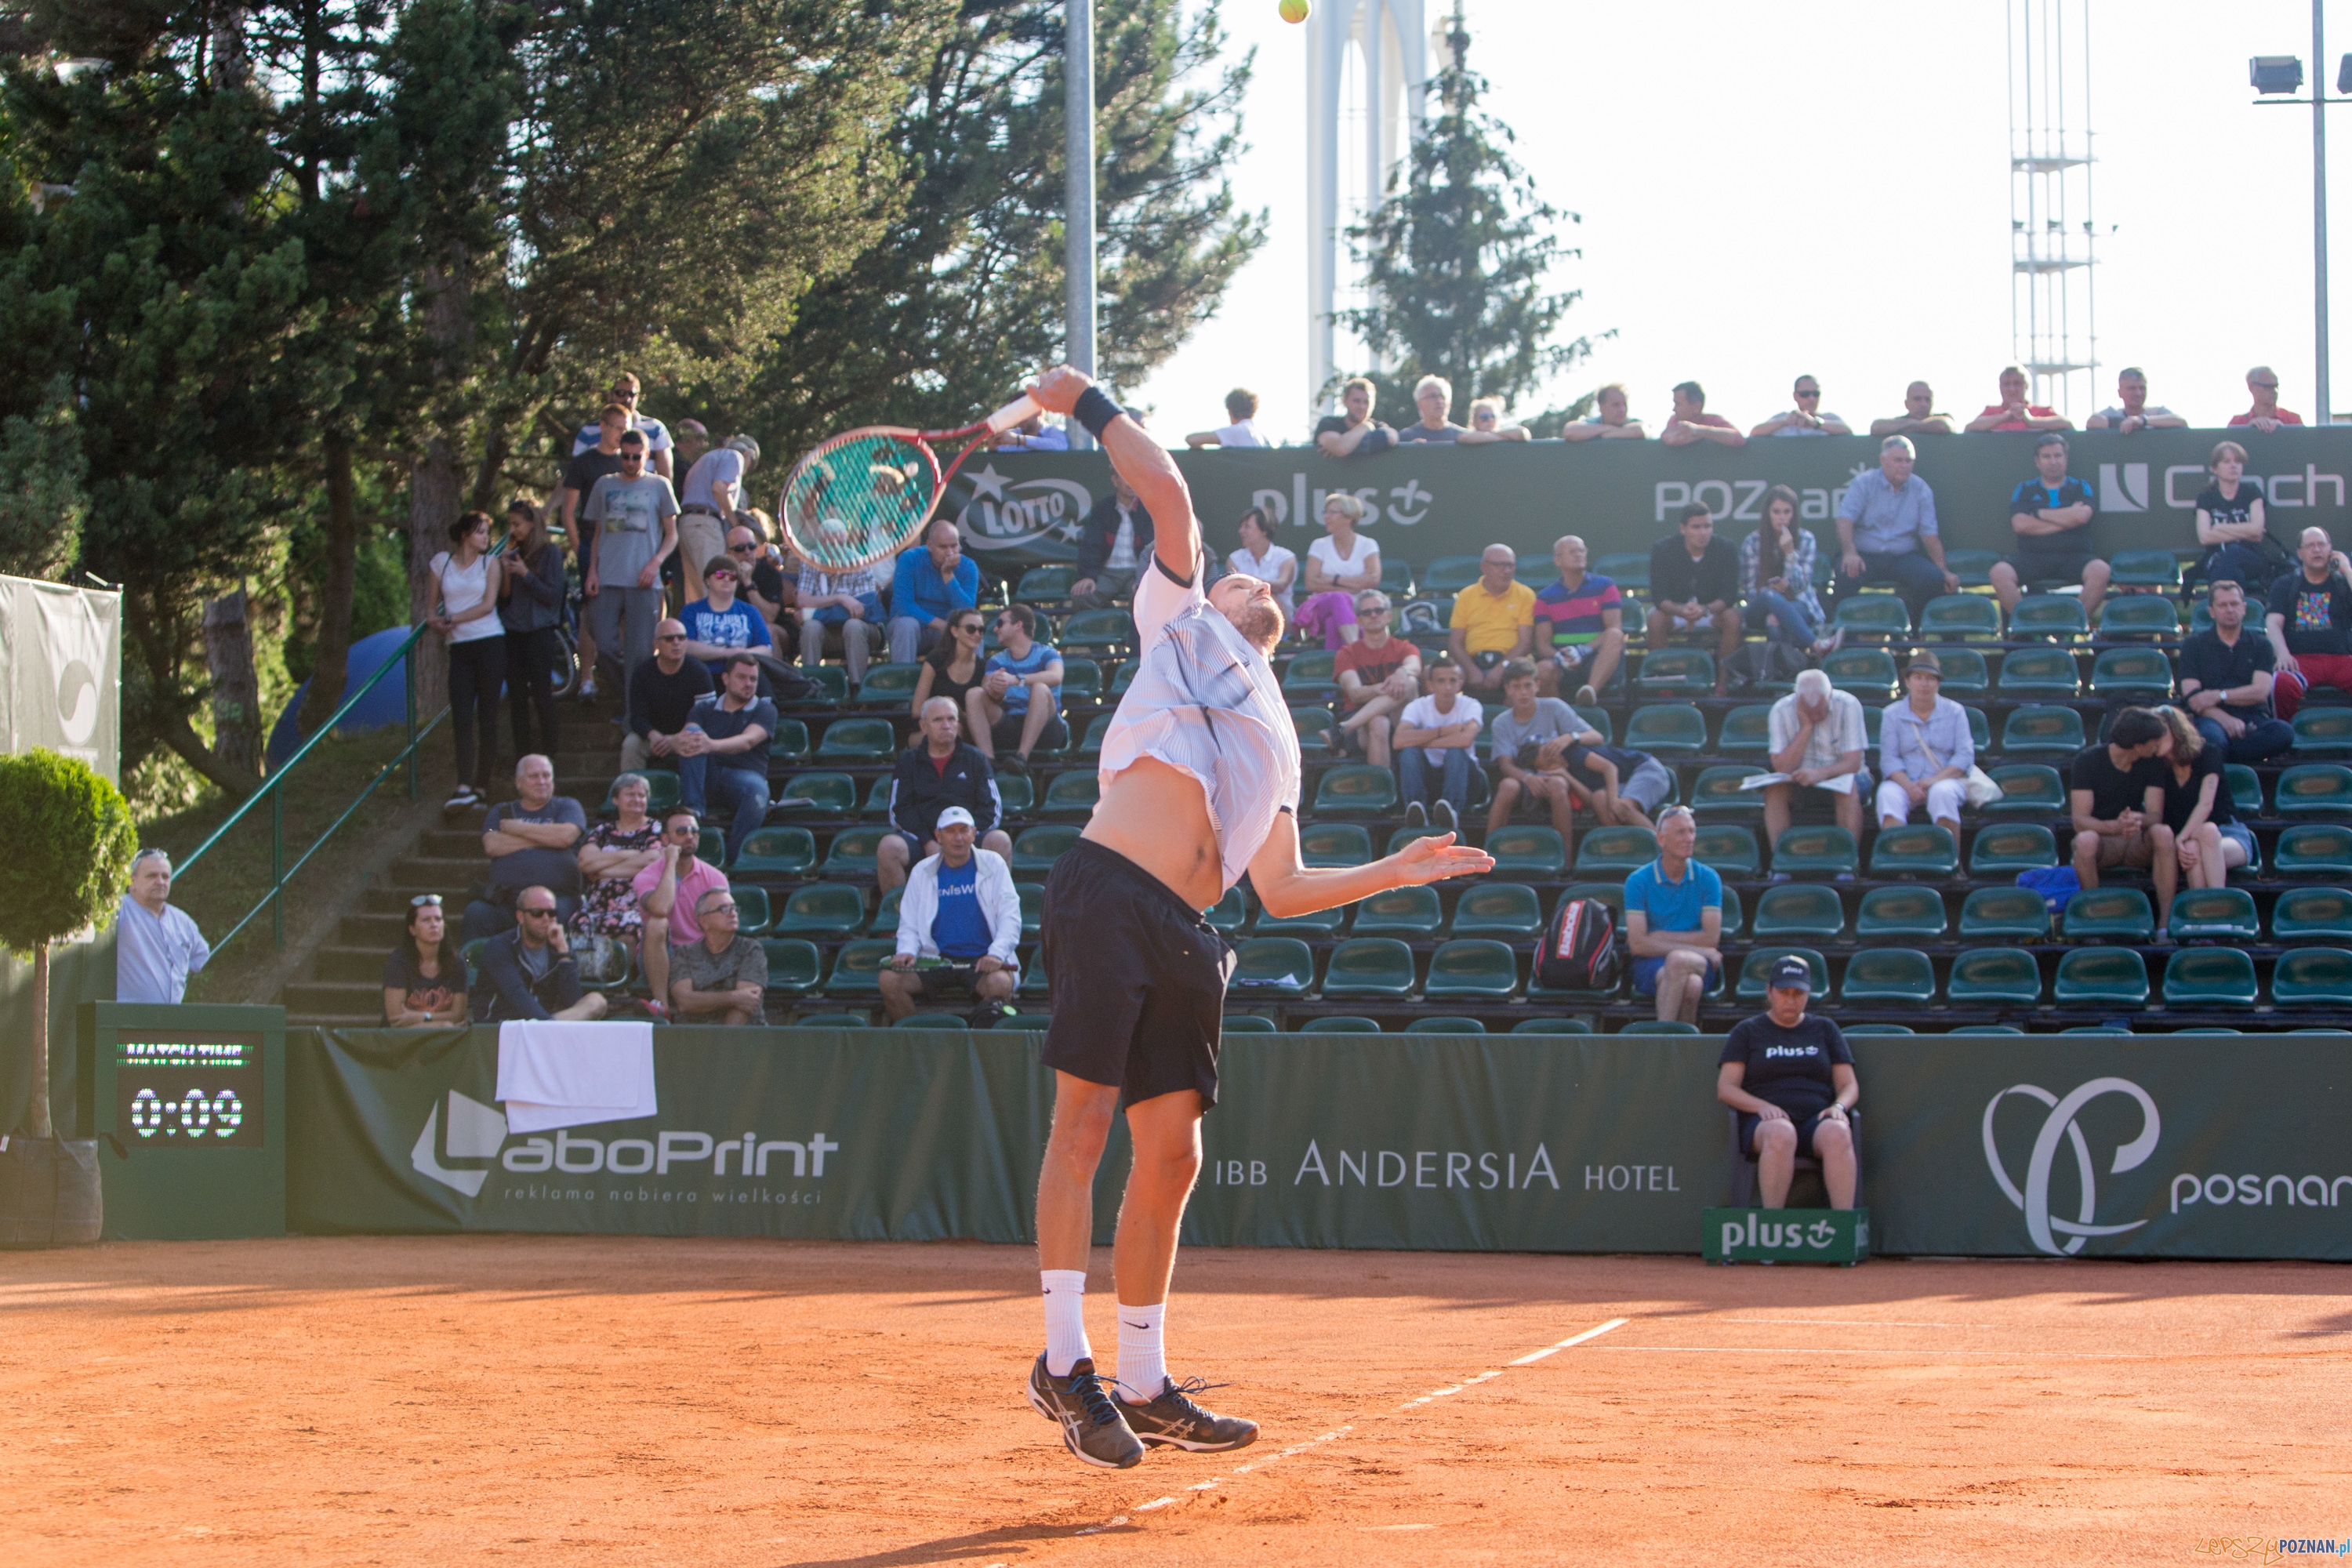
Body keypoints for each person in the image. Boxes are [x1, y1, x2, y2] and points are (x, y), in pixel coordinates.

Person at [1020, 363, 1490, 1469]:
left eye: (1252, 587)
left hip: (1189, 930)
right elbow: (1170, 495)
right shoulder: (1175, 619)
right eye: (1237, 580)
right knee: (1082, 1129)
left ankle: (1143, 1378)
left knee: (1172, 1158)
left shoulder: (1277, 728)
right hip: (1106, 888)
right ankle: (1060, 1360)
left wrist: (1399, 869)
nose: (1245, 587)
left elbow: (1278, 888)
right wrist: (1084, 399)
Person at [1715, 958, 1857, 1210]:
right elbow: (1726, 1088)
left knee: (1839, 1131)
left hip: (1815, 1122)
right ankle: (1774, 1226)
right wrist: (1760, 1106)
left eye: (1798, 993)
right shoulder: (1747, 1031)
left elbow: (1848, 1085)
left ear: (1808, 994)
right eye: (1784, 993)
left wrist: (1839, 1106)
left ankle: (1842, 1228)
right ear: (1770, 992)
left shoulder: (1825, 1029)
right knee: (1781, 1132)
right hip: (1766, 1125)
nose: (1791, 1001)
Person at [880, 806, 1022, 1023]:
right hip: (936, 960)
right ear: (938, 836)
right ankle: (918, 1046)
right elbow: (908, 925)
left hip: (982, 959)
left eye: (964, 830)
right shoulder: (922, 870)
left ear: (974, 834)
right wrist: (907, 951)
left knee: (1000, 984)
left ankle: (985, 1048)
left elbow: (1010, 917)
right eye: (950, 831)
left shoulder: (994, 864)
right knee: (889, 981)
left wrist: (996, 954)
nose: (958, 838)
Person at [580, 430, 681, 734]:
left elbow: (672, 534)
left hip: (644, 581)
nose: (631, 461)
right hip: (608, 576)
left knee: (639, 654)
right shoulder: (604, 485)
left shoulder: (659, 486)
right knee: (605, 644)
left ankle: (632, 718)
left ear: (647, 455)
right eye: (625, 456)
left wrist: (655, 564)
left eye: (637, 456)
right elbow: (597, 534)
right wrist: (592, 572)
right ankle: (633, 699)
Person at [880, 696, 1013, 890]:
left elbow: (992, 809)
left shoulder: (975, 758)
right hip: (924, 842)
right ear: (923, 726)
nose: (946, 725)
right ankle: (899, 916)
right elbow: (899, 811)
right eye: (938, 720)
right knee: (888, 847)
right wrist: (928, 841)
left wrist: (962, 838)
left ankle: (996, 912)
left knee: (1000, 840)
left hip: (969, 839)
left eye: (951, 719)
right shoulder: (908, 761)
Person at [570, 771, 670, 1018]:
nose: (637, 799)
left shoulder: (655, 828)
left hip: (636, 903)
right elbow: (585, 863)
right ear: (615, 800)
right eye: (630, 795)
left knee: (629, 928)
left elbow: (652, 860)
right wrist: (629, 856)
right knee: (579, 923)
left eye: (642, 795)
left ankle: (621, 988)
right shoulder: (602, 831)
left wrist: (604, 868)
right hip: (598, 904)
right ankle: (590, 989)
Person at [427, 510, 506, 810]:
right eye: (480, 532)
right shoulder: (441, 563)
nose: (486, 538)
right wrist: (437, 622)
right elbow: (430, 609)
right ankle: (463, 783)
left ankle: (482, 785)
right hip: (459, 646)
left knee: (487, 715)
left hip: (489, 643)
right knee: (461, 715)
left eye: (487, 532)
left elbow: (488, 605)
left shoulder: (491, 563)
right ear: (464, 535)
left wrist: (454, 618)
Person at [1834, 435, 1958, 623]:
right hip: (1865, 555)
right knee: (1845, 575)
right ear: (1883, 460)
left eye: (1909, 461)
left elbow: (1929, 535)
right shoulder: (1864, 483)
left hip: (1903, 556)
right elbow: (1845, 519)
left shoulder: (1920, 489)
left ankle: (1914, 636)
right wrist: (1850, 552)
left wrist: (1943, 570)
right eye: (1898, 460)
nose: (1904, 465)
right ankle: (1846, 639)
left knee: (1933, 579)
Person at [463, 754, 587, 941]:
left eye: (546, 776)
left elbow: (565, 837)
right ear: (518, 782)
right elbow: (492, 845)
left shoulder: (567, 806)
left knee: (553, 915)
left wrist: (518, 829)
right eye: (534, 776)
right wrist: (546, 837)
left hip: (557, 899)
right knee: (476, 912)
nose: (542, 782)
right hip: (508, 902)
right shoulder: (501, 811)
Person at [557, 404, 631, 702]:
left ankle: (622, 677)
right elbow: (568, 512)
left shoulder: (630, 462)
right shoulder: (584, 463)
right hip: (591, 544)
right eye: (616, 427)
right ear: (602, 426)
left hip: (626, 546)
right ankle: (587, 678)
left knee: (627, 607)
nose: (621, 434)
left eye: (625, 428)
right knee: (591, 610)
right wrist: (579, 549)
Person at [1990, 434, 2109, 620]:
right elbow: (2020, 525)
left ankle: (2072, 626)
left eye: (2058, 456)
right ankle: (2027, 625)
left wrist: (2039, 514)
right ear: (2037, 462)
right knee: (1998, 573)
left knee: (2101, 570)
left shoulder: (2080, 486)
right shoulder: (2025, 489)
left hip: (2074, 556)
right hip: (2031, 557)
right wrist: (2067, 518)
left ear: (2066, 459)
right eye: (2047, 457)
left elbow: (2082, 516)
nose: (2053, 462)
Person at [2068, 707, 2174, 915]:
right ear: (2138, 746)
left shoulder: (2152, 763)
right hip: (2104, 842)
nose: (2157, 746)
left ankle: (2166, 920)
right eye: (2154, 742)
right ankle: (2093, 917)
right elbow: (2079, 821)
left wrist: (2138, 819)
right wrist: (2114, 826)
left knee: (2164, 833)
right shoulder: (2087, 761)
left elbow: (2155, 815)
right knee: (2085, 841)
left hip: (2135, 840)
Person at [2151, 706, 2254, 916]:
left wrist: (2180, 839)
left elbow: (2206, 805)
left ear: (2175, 730)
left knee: (2206, 832)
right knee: (2195, 847)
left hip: (2228, 834)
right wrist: (2181, 841)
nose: (2154, 739)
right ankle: (2207, 924)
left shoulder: (2208, 753)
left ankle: (2212, 917)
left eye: (2159, 732)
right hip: (2189, 842)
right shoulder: (2156, 768)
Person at [1624, 807, 1723, 1025]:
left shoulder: (1708, 878)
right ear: (1661, 839)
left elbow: (1711, 938)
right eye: (1681, 832)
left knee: (1678, 961)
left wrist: (1659, 936)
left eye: (1692, 831)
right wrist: (1698, 948)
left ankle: (1661, 1045)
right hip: (1651, 964)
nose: (1689, 838)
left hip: (1698, 962)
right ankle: (1684, 1053)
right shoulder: (1638, 881)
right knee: (1692, 985)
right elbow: (1638, 945)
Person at [2179, 579, 2294, 763]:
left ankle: (2221, 758)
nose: (2230, 609)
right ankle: (2226, 756)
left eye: (2234, 604)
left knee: (2284, 733)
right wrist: (2225, 719)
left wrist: (2219, 695)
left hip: (2252, 718)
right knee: (2212, 738)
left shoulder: (2262, 645)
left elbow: (2260, 691)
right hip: (2211, 717)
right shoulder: (2193, 646)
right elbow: (2193, 697)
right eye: (2223, 605)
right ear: (2212, 611)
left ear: (2244, 608)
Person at [676, 654, 775, 867]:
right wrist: (683, 740)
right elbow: (686, 737)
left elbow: (748, 740)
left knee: (758, 792)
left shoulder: (764, 709)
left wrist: (710, 744)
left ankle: (730, 860)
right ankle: (694, 811)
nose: (748, 684)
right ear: (725, 679)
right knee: (692, 734)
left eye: (753, 679)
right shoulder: (703, 709)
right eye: (741, 678)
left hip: (743, 779)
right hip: (705, 775)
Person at [470, 885, 609, 1023]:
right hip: (502, 1026)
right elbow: (518, 997)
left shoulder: (560, 945)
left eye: (552, 913)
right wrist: (546, 1025)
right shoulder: (499, 947)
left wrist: (564, 953)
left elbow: (573, 1002)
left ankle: (548, 1026)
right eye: (537, 913)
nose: (546, 918)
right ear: (520, 917)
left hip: (543, 1025)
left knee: (596, 1002)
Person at [1485, 659, 1584, 844]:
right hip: (1521, 778)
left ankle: (1566, 862)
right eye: (1516, 686)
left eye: (1528, 685)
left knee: (1558, 784)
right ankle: (1487, 856)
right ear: (1508, 689)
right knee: (1507, 786)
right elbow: (1505, 765)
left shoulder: (1555, 707)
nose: (1523, 692)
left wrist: (1570, 737)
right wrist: (1528, 779)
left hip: (1554, 773)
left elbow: (1596, 736)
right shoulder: (1501, 722)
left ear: (1537, 686)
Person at [1763, 669, 1867, 845]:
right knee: (1774, 790)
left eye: (1820, 710)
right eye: (1808, 711)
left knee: (1848, 787)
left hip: (1843, 777)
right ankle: (1781, 863)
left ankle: (1848, 864)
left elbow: (1853, 763)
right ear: (1798, 700)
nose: (1815, 716)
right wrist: (1806, 728)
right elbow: (1782, 768)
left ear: (1829, 696)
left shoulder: (1849, 705)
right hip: (1799, 781)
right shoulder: (1780, 710)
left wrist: (1819, 774)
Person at [497, 499, 565, 761]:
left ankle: (551, 752)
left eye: (517, 524)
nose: (513, 529)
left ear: (531, 523)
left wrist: (526, 574)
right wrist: (506, 571)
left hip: (540, 631)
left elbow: (552, 596)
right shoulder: (512, 552)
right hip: (513, 631)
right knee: (517, 698)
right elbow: (503, 600)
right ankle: (521, 755)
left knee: (541, 694)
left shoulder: (550, 553)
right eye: (510, 524)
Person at [1876, 652, 1970, 835]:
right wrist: (1909, 787)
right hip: (1905, 781)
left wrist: (1934, 780)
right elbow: (1889, 759)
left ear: (1938, 683)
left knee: (1942, 793)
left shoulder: (1956, 712)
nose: (1924, 684)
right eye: (1918, 677)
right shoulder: (1891, 714)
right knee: (1887, 795)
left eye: (1930, 678)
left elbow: (1964, 756)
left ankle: (1952, 859)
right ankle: (1898, 857)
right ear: (1908, 681)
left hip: (1945, 778)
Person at [1646, 503, 1743, 682]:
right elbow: (1659, 597)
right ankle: (1664, 684)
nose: (1703, 533)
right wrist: (1681, 610)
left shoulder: (1726, 549)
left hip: (1711, 612)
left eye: (1707, 526)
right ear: (1683, 529)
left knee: (1734, 617)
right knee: (1655, 618)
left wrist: (1705, 609)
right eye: (1696, 527)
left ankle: (1723, 684)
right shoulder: (1663, 549)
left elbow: (1729, 596)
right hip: (1676, 612)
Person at [2265, 526, 2352, 720]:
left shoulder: (2343, 582)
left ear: (2331, 550)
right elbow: (2273, 623)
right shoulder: (2284, 584)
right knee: (2281, 683)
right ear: (2300, 553)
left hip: (2341, 659)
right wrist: (2283, 653)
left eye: (2322, 544)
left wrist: (2347, 570)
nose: (2317, 550)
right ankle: (2286, 742)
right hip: (2300, 660)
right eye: (2310, 545)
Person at [1741, 485, 1838, 659]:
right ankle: (1816, 644)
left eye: (1787, 512)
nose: (1781, 517)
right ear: (1767, 514)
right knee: (1770, 597)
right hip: (1759, 605)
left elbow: (1801, 586)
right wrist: (1771, 590)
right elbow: (1749, 591)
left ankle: (1781, 676)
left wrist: (1790, 554)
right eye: (1776, 512)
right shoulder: (1752, 542)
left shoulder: (1806, 539)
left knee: (1775, 620)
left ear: (1794, 514)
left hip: (1797, 604)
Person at [971, 604, 1066, 771]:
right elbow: (986, 687)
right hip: (1011, 724)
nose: (995, 629)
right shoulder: (997, 661)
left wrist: (1017, 679)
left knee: (1039, 688)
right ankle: (988, 762)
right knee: (974, 694)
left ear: (1018, 625)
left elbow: (1056, 676)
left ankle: (1022, 758)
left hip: (1046, 727)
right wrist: (995, 691)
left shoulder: (1047, 653)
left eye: (1000, 623)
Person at [1532, 535, 1626, 706]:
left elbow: (1614, 628)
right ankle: (1559, 718)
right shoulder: (1545, 597)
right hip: (1563, 663)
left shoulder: (1605, 585)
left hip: (1598, 659)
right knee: (1542, 670)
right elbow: (1543, 646)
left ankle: (1589, 693)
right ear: (1557, 560)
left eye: (1582, 551)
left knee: (1615, 634)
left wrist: (1583, 650)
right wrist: (1560, 656)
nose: (1579, 555)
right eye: (1572, 552)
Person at [633, 807, 730, 969]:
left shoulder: (716, 878)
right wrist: (670, 863)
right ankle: (660, 996)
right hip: (660, 955)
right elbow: (660, 908)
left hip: (700, 953)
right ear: (665, 839)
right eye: (681, 831)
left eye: (695, 831)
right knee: (657, 924)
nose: (690, 836)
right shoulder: (646, 876)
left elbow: (721, 926)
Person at [1394, 655, 1482, 831]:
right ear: (1430, 685)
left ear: (1460, 683)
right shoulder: (1417, 706)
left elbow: (1465, 740)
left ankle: (1451, 811)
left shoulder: (1471, 705)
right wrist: (1443, 731)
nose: (1447, 687)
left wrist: (1422, 741)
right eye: (1441, 681)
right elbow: (1398, 740)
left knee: (1456, 752)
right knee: (1409, 753)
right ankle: (1415, 809)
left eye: (1452, 681)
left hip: (1464, 776)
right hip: (1430, 776)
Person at [1332, 590, 1420, 767]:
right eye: (1366, 612)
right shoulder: (1346, 653)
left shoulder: (1405, 647)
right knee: (1379, 722)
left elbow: (1415, 666)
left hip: (1401, 720)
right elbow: (1355, 694)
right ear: (1359, 621)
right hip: (1361, 721)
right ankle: (1382, 790)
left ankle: (1344, 728)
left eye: (1378, 610)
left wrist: (1401, 673)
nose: (1373, 615)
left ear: (1389, 616)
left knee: (1410, 681)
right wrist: (1379, 689)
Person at [114, 848, 210, 1005]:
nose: (160, 882)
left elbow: (201, 953)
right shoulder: (119, 911)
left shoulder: (182, 921)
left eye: (165, 877)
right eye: (152, 876)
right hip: (128, 1020)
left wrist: (174, 974)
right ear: (132, 881)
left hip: (171, 1021)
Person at [620, 619, 717, 774]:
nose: (676, 643)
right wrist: (653, 735)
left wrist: (677, 739)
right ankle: (630, 791)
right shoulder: (642, 673)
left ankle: (694, 796)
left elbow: (707, 717)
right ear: (656, 644)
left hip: (689, 734)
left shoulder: (699, 672)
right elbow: (637, 717)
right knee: (631, 744)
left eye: (682, 638)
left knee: (699, 740)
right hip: (654, 737)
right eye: (669, 639)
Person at [677, 434, 760, 601]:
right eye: (749, 466)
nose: (744, 471)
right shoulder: (735, 457)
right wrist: (734, 522)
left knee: (696, 593)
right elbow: (719, 488)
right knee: (716, 587)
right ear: (747, 454)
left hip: (687, 524)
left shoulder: (706, 459)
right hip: (707, 524)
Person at [2194, 441, 2287, 590]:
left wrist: (2219, 528)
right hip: (2217, 560)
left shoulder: (2252, 492)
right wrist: (2245, 531)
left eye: (2238, 462)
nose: (2233, 466)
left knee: (2234, 551)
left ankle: (2215, 608)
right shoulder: (2206, 498)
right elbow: (2205, 537)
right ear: (2215, 469)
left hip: (2251, 559)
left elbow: (2257, 531)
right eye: (2227, 461)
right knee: (2235, 574)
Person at [668, 887, 768, 1025]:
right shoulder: (684, 953)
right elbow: (685, 1002)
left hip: (738, 1038)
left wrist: (722, 1044)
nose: (733, 914)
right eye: (724, 909)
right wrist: (734, 997)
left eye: (734, 908)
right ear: (704, 921)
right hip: (694, 1036)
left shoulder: (750, 949)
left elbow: (746, 1004)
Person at [1447, 543, 1536, 696]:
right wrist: (1471, 669)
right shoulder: (1466, 596)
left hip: (1512, 663)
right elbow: (1455, 642)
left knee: (1523, 678)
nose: (1506, 571)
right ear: (1483, 567)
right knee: (1437, 676)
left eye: (1510, 565)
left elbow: (1526, 642)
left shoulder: (1525, 595)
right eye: (1498, 565)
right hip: (1472, 662)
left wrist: (1501, 668)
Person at [890, 517, 982, 662]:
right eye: (943, 547)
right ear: (929, 545)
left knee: (971, 626)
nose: (950, 553)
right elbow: (904, 605)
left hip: (947, 630)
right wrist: (942, 625)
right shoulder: (909, 559)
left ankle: (972, 680)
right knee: (906, 625)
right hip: (914, 627)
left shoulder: (968, 566)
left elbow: (967, 609)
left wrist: (948, 575)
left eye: (954, 546)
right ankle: (903, 680)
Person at [1299, 492, 1380, 641]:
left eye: (1332, 512)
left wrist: (1333, 579)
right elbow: (1310, 583)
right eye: (1326, 512)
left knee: (1332, 623)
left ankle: (1343, 661)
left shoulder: (1368, 544)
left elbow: (1373, 580)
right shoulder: (1319, 545)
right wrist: (1353, 587)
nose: (1326, 517)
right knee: (1338, 598)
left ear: (1349, 517)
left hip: (1358, 610)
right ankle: (1356, 648)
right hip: (1322, 609)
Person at [797, 551, 885, 684]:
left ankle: (858, 689)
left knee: (853, 625)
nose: (835, 542)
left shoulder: (858, 562)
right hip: (828, 634)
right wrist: (840, 599)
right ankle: (811, 688)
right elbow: (802, 601)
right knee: (811, 627)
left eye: (839, 535)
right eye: (830, 538)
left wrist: (813, 613)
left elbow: (862, 611)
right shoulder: (811, 560)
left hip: (865, 631)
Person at [383, 895, 470, 1028]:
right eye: (426, 920)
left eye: (438, 919)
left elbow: (458, 1015)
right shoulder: (398, 962)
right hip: (402, 1042)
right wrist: (444, 1025)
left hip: (445, 1039)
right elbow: (396, 1019)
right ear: (412, 929)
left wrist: (422, 1017)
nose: (434, 924)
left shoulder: (457, 962)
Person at [1070, 474, 1154, 612]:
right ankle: (1111, 617)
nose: (1130, 483)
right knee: (1081, 596)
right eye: (1125, 477)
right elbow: (1091, 545)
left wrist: (1143, 578)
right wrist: (1087, 576)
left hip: (1136, 573)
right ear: (1115, 480)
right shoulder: (1103, 508)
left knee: (1143, 596)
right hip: (1108, 573)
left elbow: (1153, 549)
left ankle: (1130, 631)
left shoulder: (1148, 508)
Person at [570, 372, 674, 478]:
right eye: (621, 393)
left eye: (632, 394)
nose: (627, 399)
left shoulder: (656, 429)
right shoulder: (588, 432)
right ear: (609, 395)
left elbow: (666, 476)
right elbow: (574, 475)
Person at [911, 608, 989, 739]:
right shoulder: (935, 661)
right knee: (952, 729)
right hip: (930, 730)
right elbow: (917, 711)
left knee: (955, 729)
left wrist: (956, 711)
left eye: (981, 630)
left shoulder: (983, 667)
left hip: (969, 732)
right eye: (971, 629)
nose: (977, 634)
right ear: (954, 631)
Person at [731, 521, 800, 662]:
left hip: (779, 628)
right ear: (728, 553)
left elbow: (768, 618)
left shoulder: (769, 573)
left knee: (767, 630)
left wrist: (748, 583)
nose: (747, 552)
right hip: (736, 626)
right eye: (740, 548)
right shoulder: (723, 576)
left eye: (751, 547)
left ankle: (775, 680)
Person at [1225, 507, 1298, 616]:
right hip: (1245, 618)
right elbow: (1233, 589)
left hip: (1281, 620)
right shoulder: (1234, 559)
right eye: (1241, 527)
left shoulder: (1286, 557)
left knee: (1271, 596)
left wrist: (1244, 581)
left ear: (1264, 530)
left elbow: (1281, 585)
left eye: (1247, 527)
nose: (1241, 531)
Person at [1965, 365, 2073, 432]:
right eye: (2007, 384)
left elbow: (2067, 424)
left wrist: (2031, 421)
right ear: (2000, 388)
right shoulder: (1991, 412)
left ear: (2026, 386)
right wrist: (2005, 416)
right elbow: (1970, 427)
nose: (2012, 389)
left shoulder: (2041, 412)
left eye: (2017, 384)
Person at [2085, 367, 2186, 433]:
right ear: (2120, 393)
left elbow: (2180, 421)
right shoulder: (2113, 413)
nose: (2138, 393)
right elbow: (2092, 422)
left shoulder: (2157, 413)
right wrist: (2125, 422)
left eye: (2142, 388)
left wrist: (2142, 421)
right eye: (2132, 388)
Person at [1749, 375, 1852, 438]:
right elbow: (1755, 432)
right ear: (1796, 396)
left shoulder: (1828, 418)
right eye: (1805, 394)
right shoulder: (1784, 418)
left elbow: (1847, 431)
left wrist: (1815, 423)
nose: (1811, 399)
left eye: (1815, 394)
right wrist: (1785, 422)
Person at [1313, 376, 1393, 456]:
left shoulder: (1377, 426)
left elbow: (1393, 437)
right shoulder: (1329, 424)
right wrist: (1366, 426)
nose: (1362, 407)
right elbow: (1342, 449)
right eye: (1356, 401)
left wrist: (1351, 446)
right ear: (1345, 401)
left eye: (1366, 402)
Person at [1658, 380, 1746, 448]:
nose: (1674, 409)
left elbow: (1739, 439)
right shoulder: (1675, 420)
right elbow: (1668, 436)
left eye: (1678, 404)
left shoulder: (1713, 421)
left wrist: (1697, 430)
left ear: (1696, 407)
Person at [1558, 382, 1646, 441]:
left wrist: (1608, 434)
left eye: (1624, 404)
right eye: (1616, 405)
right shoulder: (1592, 423)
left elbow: (1642, 430)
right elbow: (1570, 431)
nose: (1622, 409)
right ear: (1601, 407)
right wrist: (1611, 429)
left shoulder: (1633, 423)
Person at [1868, 381, 1957, 437]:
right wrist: (1920, 426)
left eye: (1928, 400)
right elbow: (1876, 427)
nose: (1923, 404)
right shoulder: (1900, 421)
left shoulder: (1943, 417)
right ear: (1906, 404)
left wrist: (1908, 427)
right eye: (1917, 399)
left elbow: (1944, 425)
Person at [1185, 387, 1265, 448]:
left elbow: (1191, 439)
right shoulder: (1265, 436)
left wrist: (1220, 441)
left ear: (1230, 411)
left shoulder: (1237, 431)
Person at [1396, 374, 1468, 442]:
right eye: (1433, 396)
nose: (1439, 401)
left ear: (1449, 404)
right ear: (1420, 404)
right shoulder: (1405, 438)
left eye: (1443, 397)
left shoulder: (1464, 437)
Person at [2230, 366, 2305, 430]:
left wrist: (2284, 432)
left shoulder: (2292, 420)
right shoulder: (2237, 423)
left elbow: (2305, 446)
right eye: (2268, 387)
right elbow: (2227, 446)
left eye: (2276, 387)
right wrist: (2248, 431)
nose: (2274, 392)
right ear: (2251, 387)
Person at [1459, 397, 1530, 443]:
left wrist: (1494, 435)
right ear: (1474, 421)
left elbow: (1522, 433)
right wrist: (1502, 439)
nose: (1490, 420)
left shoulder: (1503, 434)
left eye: (1493, 416)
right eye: (1484, 417)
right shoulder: (1469, 436)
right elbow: (1464, 438)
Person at [996, 410, 1072, 450]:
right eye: (1016, 414)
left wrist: (1020, 440)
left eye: (1024, 412)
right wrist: (993, 449)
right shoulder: (1009, 435)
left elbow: (1062, 447)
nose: (1021, 417)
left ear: (1039, 412)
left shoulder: (1053, 431)